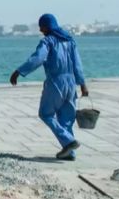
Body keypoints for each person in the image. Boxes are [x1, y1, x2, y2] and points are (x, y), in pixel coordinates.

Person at [10, 14, 88, 160]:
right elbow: (78, 65)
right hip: (71, 84)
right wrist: (83, 84)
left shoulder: (48, 42)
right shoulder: (70, 41)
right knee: (66, 119)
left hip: (56, 82)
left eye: (42, 26)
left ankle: (69, 142)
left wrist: (19, 71)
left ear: (47, 26)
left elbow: (38, 58)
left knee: (45, 114)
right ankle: (69, 153)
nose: (40, 30)